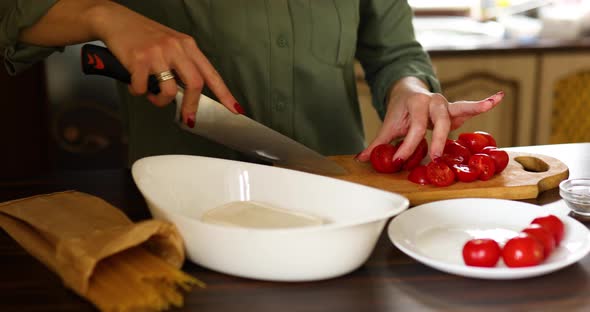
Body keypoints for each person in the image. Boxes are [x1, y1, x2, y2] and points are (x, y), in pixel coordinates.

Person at [0, 0, 503, 168]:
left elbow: (395, 52)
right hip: (179, 219)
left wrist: (410, 90)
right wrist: (101, 15)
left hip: (339, 203)